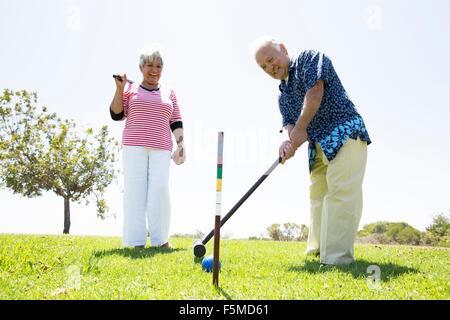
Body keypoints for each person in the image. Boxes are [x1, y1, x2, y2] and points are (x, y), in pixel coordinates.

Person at [253, 38, 371, 265]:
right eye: (263, 67)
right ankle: (317, 249)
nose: (270, 68)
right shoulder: (283, 94)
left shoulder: (309, 58)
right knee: (317, 196)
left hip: (345, 132)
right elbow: (289, 126)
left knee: (341, 193)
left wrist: (298, 130)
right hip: (318, 145)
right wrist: (287, 142)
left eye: (271, 60)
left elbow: (315, 93)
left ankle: (336, 258)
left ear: (284, 50)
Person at [109, 45, 185, 249]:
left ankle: (161, 241)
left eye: (159, 66)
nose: (154, 70)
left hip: (161, 147)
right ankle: (136, 242)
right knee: (135, 191)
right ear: (141, 67)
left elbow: (176, 120)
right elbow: (116, 114)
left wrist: (181, 144)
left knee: (159, 190)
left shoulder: (169, 92)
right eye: (149, 65)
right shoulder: (130, 89)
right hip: (134, 146)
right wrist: (119, 89)